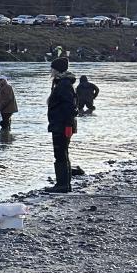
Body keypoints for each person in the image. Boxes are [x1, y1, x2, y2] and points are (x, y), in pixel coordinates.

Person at [47, 57, 78, 193]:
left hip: (62, 125)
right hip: (60, 124)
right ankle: (64, 184)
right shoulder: (62, 83)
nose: (50, 71)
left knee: (60, 154)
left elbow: (69, 106)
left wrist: (68, 126)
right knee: (62, 153)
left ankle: (62, 185)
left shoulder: (64, 84)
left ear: (57, 70)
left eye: (52, 68)